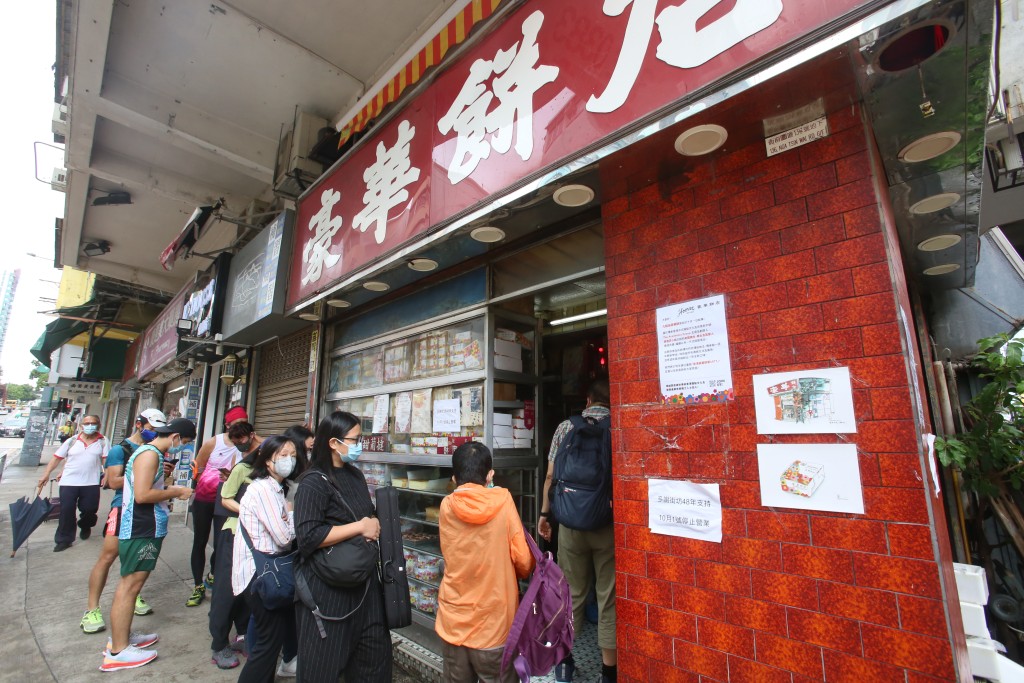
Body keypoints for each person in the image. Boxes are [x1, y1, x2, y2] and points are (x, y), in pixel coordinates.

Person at [293, 411, 391, 682]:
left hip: (366, 585)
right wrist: (360, 527)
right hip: (329, 590)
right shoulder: (313, 482)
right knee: (323, 665)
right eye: (355, 439)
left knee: (373, 662)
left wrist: (373, 522)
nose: (360, 445)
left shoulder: (355, 475)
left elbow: (364, 512)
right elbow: (308, 536)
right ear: (334, 443)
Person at [100, 418, 196, 672]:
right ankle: (118, 651)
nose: (182, 447)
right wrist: (176, 491)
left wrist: (165, 487)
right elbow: (142, 495)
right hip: (141, 526)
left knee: (132, 584)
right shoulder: (150, 455)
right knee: (130, 585)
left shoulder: (150, 453)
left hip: (145, 525)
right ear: (175, 436)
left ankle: (123, 637)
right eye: (183, 442)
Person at [436, 442, 534, 683]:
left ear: (454, 477)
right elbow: (523, 560)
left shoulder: (446, 506)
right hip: (494, 625)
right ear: (490, 474)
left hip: (453, 623)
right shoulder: (503, 501)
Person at [539, 378, 617, 683]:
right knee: (608, 595)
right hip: (607, 523)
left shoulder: (564, 428)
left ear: (587, 400)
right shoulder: (617, 426)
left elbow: (550, 476)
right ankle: (609, 673)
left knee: (571, 593)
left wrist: (546, 515)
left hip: (570, 523)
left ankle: (565, 663)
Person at [79, 409, 168, 634]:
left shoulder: (156, 449)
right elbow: (112, 481)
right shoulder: (121, 449)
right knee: (108, 556)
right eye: (151, 429)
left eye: (157, 431)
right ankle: (92, 609)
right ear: (139, 425)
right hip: (124, 508)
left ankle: (132, 596)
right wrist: (143, 476)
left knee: (136, 560)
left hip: (146, 512)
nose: (154, 433)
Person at [233, 436, 304, 682]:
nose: (289, 460)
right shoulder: (263, 489)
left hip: (263, 573)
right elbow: (284, 537)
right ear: (267, 459)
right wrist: (294, 516)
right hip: (260, 576)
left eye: (293, 455)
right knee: (267, 645)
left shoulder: (274, 488)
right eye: (283, 455)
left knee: (270, 642)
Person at [187, 405, 251, 607]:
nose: (239, 431)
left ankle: (214, 574)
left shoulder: (248, 444)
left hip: (229, 500)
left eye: (243, 425)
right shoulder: (214, 443)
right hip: (205, 499)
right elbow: (197, 467)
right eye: (236, 425)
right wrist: (204, 483)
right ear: (227, 425)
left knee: (222, 542)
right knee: (200, 540)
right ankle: (198, 586)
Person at [207, 445, 258, 669]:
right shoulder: (243, 469)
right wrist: (249, 511)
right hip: (235, 534)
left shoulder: (278, 476)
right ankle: (219, 644)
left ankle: (244, 634)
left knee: (250, 589)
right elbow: (225, 498)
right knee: (227, 591)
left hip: (258, 539)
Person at [38, 414, 109, 552]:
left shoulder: (103, 441)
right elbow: (57, 458)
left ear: (99, 425)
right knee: (66, 510)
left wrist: (107, 475)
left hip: (91, 482)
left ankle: (85, 524)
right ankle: (64, 539)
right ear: (81, 425)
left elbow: (107, 460)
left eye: (93, 423)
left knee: (89, 510)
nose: (89, 426)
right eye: (86, 423)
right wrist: (46, 474)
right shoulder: (72, 441)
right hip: (69, 481)